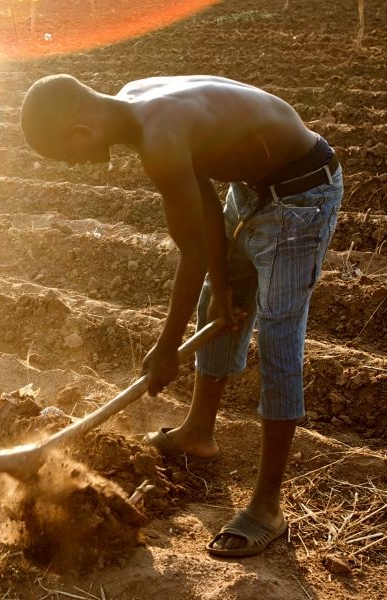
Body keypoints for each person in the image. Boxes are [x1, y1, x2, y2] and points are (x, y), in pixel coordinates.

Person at [20, 74, 342, 557]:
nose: (80, 166)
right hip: (251, 189)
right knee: (216, 295)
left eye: (70, 156)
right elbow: (204, 207)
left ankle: (268, 505)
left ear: (81, 131)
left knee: (277, 336)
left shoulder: (158, 136)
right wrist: (224, 280)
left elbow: (190, 252)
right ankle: (197, 433)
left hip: (301, 198)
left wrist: (166, 347)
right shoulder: (135, 103)